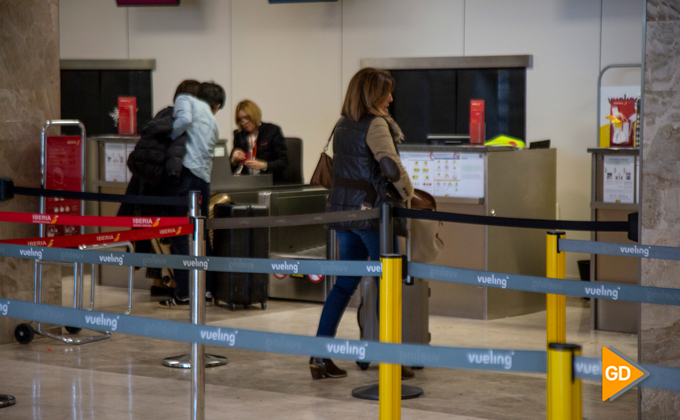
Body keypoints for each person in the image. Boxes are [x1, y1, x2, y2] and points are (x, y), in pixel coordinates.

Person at [310, 68, 414, 380]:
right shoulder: (377, 123)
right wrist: (409, 194)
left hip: (344, 213)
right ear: (373, 95)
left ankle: (319, 356)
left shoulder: (342, 123)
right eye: (387, 93)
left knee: (343, 285)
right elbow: (389, 166)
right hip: (372, 216)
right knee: (389, 284)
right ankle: (392, 360)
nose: (391, 99)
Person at [120, 79, 199, 297]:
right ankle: (172, 282)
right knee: (168, 235)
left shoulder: (162, 115)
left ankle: (158, 281)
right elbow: (177, 156)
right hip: (163, 187)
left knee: (153, 234)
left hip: (143, 186)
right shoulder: (183, 121)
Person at [160, 81, 226, 308]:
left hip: (185, 177)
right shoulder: (213, 120)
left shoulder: (185, 100)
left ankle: (184, 293)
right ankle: (206, 290)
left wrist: (171, 135)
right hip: (203, 182)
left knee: (178, 234)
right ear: (216, 105)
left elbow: (184, 121)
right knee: (201, 236)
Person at [229, 100, 289, 184]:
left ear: (254, 115)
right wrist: (233, 161)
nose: (244, 122)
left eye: (247, 118)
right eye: (240, 120)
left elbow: (283, 162)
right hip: (247, 182)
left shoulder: (272, 131)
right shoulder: (239, 135)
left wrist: (264, 165)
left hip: (270, 181)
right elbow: (230, 170)